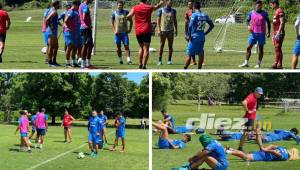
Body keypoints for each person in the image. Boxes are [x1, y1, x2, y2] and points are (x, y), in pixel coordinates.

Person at [127, 0, 164, 69]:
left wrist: (129, 20)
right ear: (146, 0)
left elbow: (129, 16)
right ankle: (144, 65)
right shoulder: (148, 7)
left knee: (141, 48)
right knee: (146, 49)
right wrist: (161, 3)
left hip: (138, 31)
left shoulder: (135, 7)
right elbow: (156, 7)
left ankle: (140, 64)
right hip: (146, 30)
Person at [239, 0, 271, 69]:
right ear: (255, 6)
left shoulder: (265, 13)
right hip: (253, 34)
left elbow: (268, 23)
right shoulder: (251, 13)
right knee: (248, 48)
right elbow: (247, 21)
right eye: (258, 5)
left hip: (261, 34)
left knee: (261, 49)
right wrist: (248, 26)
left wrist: (268, 32)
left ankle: (258, 64)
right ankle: (246, 63)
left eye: (260, 5)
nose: (259, 7)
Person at [184, 1, 214, 70]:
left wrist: (189, 35)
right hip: (202, 37)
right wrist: (205, 33)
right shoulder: (205, 15)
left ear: (194, 7)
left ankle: (185, 69)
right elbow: (212, 25)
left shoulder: (194, 15)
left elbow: (190, 25)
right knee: (201, 53)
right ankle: (199, 69)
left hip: (194, 37)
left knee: (189, 54)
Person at [238, 87, 263, 151]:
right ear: (255, 92)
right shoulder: (251, 96)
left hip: (252, 117)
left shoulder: (254, 97)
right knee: (247, 133)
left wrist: (256, 115)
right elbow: (243, 102)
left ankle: (261, 148)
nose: (260, 95)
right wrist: (247, 111)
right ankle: (240, 147)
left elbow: (253, 108)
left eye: (261, 94)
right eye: (259, 94)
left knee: (257, 131)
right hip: (249, 118)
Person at [112, 0, 133, 65]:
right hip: (117, 33)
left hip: (124, 33)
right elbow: (112, 23)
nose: (120, 6)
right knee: (118, 47)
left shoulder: (126, 12)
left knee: (126, 46)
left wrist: (130, 29)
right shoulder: (114, 13)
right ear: (117, 6)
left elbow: (131, 21)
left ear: (123, 6)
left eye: (121, 5)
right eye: (119, 5)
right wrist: (114, 30)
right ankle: (120, 59)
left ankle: (128, 59)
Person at [157, 0, 177, 66]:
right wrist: (159, 29)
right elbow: (158, 21)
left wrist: (176, 29)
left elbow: (175, 20)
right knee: (161, 45)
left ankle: (169, 60)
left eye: (172, 2)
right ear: (166, 2)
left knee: (170, 46)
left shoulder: (174, 11)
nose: (171, 3)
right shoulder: (161, 10)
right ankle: (160, 60)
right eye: (169, 2)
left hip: (171, 30)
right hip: (163, 30)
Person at [227, 145, 299, 162]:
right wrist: (265, 150)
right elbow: (275, 152)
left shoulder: (283, 148)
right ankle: (227, 151)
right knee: (246, 157)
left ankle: (229, 149)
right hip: (263, 156)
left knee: (245, 155)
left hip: (263, 153)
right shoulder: (286, 158)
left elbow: (272, 145)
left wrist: (265, 149)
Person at [64, 0, 81, 68]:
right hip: (70, 32)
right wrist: (69, 28)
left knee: (75, 47)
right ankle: (67, 63)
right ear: (75, 5)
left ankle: (74, 62)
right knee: (70, 47)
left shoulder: (76, 12)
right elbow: (66, 21)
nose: (78, 7)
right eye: (78, 6)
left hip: (76, 32)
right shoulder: (70, 11)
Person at [270, 0, 285, 69]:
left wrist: (279, 32)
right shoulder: (276, 11)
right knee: (278, 48)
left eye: (271, 4)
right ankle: (280, 65)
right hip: (275, 33)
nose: (271, 5)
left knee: (277, 47)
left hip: (279, 33)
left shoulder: (280, 11)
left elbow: (282, 22)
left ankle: (275, 63)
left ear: (275, 4)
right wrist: (273, 34)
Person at [79, 0, 94, 69]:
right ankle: (83, 64)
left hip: (86, 28)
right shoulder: (84, 6)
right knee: (85, 45)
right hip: (85, 28)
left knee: (90, 45)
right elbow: (84, 16)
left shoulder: (82, 5)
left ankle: (88, 63)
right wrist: (88, 24)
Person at [45, 0, 60, 67]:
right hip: (51, 31)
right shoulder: (54, 11)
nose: (59, 6)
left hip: (52, 31)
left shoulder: (51, 10)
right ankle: (50, 62)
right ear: (56, 5)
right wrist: (51, 27)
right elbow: (47, 19)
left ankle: (53, 61)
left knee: (56, 46)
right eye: (58, 4)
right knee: (51, 46)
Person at [185, 0, 197, 66]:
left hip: (196, 32)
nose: (189, 5)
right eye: (188, 4)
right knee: (190, 47)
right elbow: (186, 23)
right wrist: (186, 33)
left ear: (193, 5)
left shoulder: (196, 12)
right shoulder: (187, 12)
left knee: (198, 46)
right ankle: (194, 61)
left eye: (190, 4)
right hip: (190, 32)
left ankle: (202, 61)